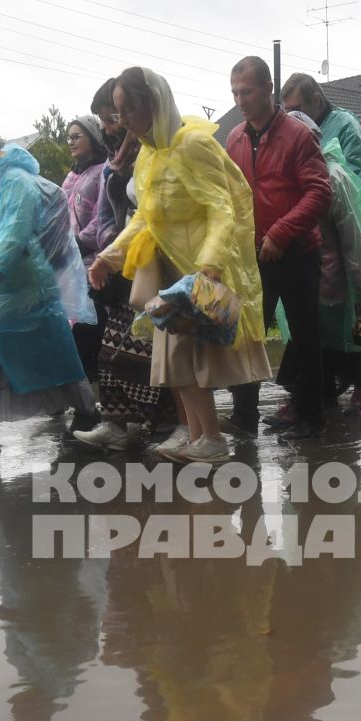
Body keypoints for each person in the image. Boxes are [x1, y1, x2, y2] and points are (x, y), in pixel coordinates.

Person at [90, 67, 271, 464]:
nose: (122, 121)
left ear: (152, 103)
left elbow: (223, 208)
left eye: (127, 110)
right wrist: (109, 256)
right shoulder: (150, 156)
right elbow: (145, 218)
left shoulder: (191, 145)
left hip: (199, 272)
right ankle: (199, 437)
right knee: (175, 362)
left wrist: (209, 264)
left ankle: (212, 440)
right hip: (172, 273)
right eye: (117, 112)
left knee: (191, 360)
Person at [0, 113, 98, 450]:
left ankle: (87, 410)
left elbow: (13, 229)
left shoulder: (15, 180)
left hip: (24, 284)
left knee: (52, 350)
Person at [223, 56, 332, 440]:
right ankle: (244, 416)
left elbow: (320, 191)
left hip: (298, 251)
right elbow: (230, 197)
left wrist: (282, 233)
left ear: (269, 88)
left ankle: (310, 418)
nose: (240, 99)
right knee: (249, 335)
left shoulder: (298, 135)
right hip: (254, 256)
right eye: (235, 92)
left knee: (305, 336)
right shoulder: (234, 138)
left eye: (247, 91)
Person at [72, 79, 176, 451]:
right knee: (112, 353)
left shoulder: (157, 151)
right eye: (104, 120)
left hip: (153, 262)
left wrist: (117, 250)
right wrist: (109, 252)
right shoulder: (115, 164)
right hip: (123, 263)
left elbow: (151, 213)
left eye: (113, 117)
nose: (109, 127)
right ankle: (118, 426)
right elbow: (106, 217)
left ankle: (166, 425)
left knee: (146, 352)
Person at [286, 110, 361, 414]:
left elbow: (354, 237)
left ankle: (356, 388)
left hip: (334, 275)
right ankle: (322, 395)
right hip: (307, 272)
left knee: (332, 339)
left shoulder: (335, 177)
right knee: (318, 339)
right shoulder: (293, 175)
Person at [61, 114, 113, 393]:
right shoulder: (71, 177)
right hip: (70, 268)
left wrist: (79, 242)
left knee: (92, 330)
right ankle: (79, 397)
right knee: (71, 331)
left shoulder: (102, 172)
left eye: (76, 136)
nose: (70, 142)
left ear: (93, 137)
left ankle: (99, 399)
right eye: (68, 137)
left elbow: (102, 217)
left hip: (94, 263)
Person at [280, 72, 361, 192]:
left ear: (316, 100)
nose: (291, 117)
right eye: (287, 111)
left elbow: (356, 184)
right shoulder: (294, 133)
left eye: (296, 109)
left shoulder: (346, 126)